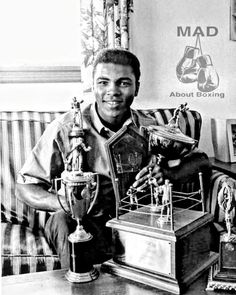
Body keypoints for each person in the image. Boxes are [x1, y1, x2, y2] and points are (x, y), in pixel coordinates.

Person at [15, 48, 211, 268]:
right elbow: (25, 187)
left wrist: (168, 174)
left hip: (135, 222)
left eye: (123, 83)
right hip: (83, 221)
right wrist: (65, 203)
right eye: (103, 82)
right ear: (93, 86)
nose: (113, 91)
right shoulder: (66, 128)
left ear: (137, 87)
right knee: (62, 220)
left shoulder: (150, 129)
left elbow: (201, 160)